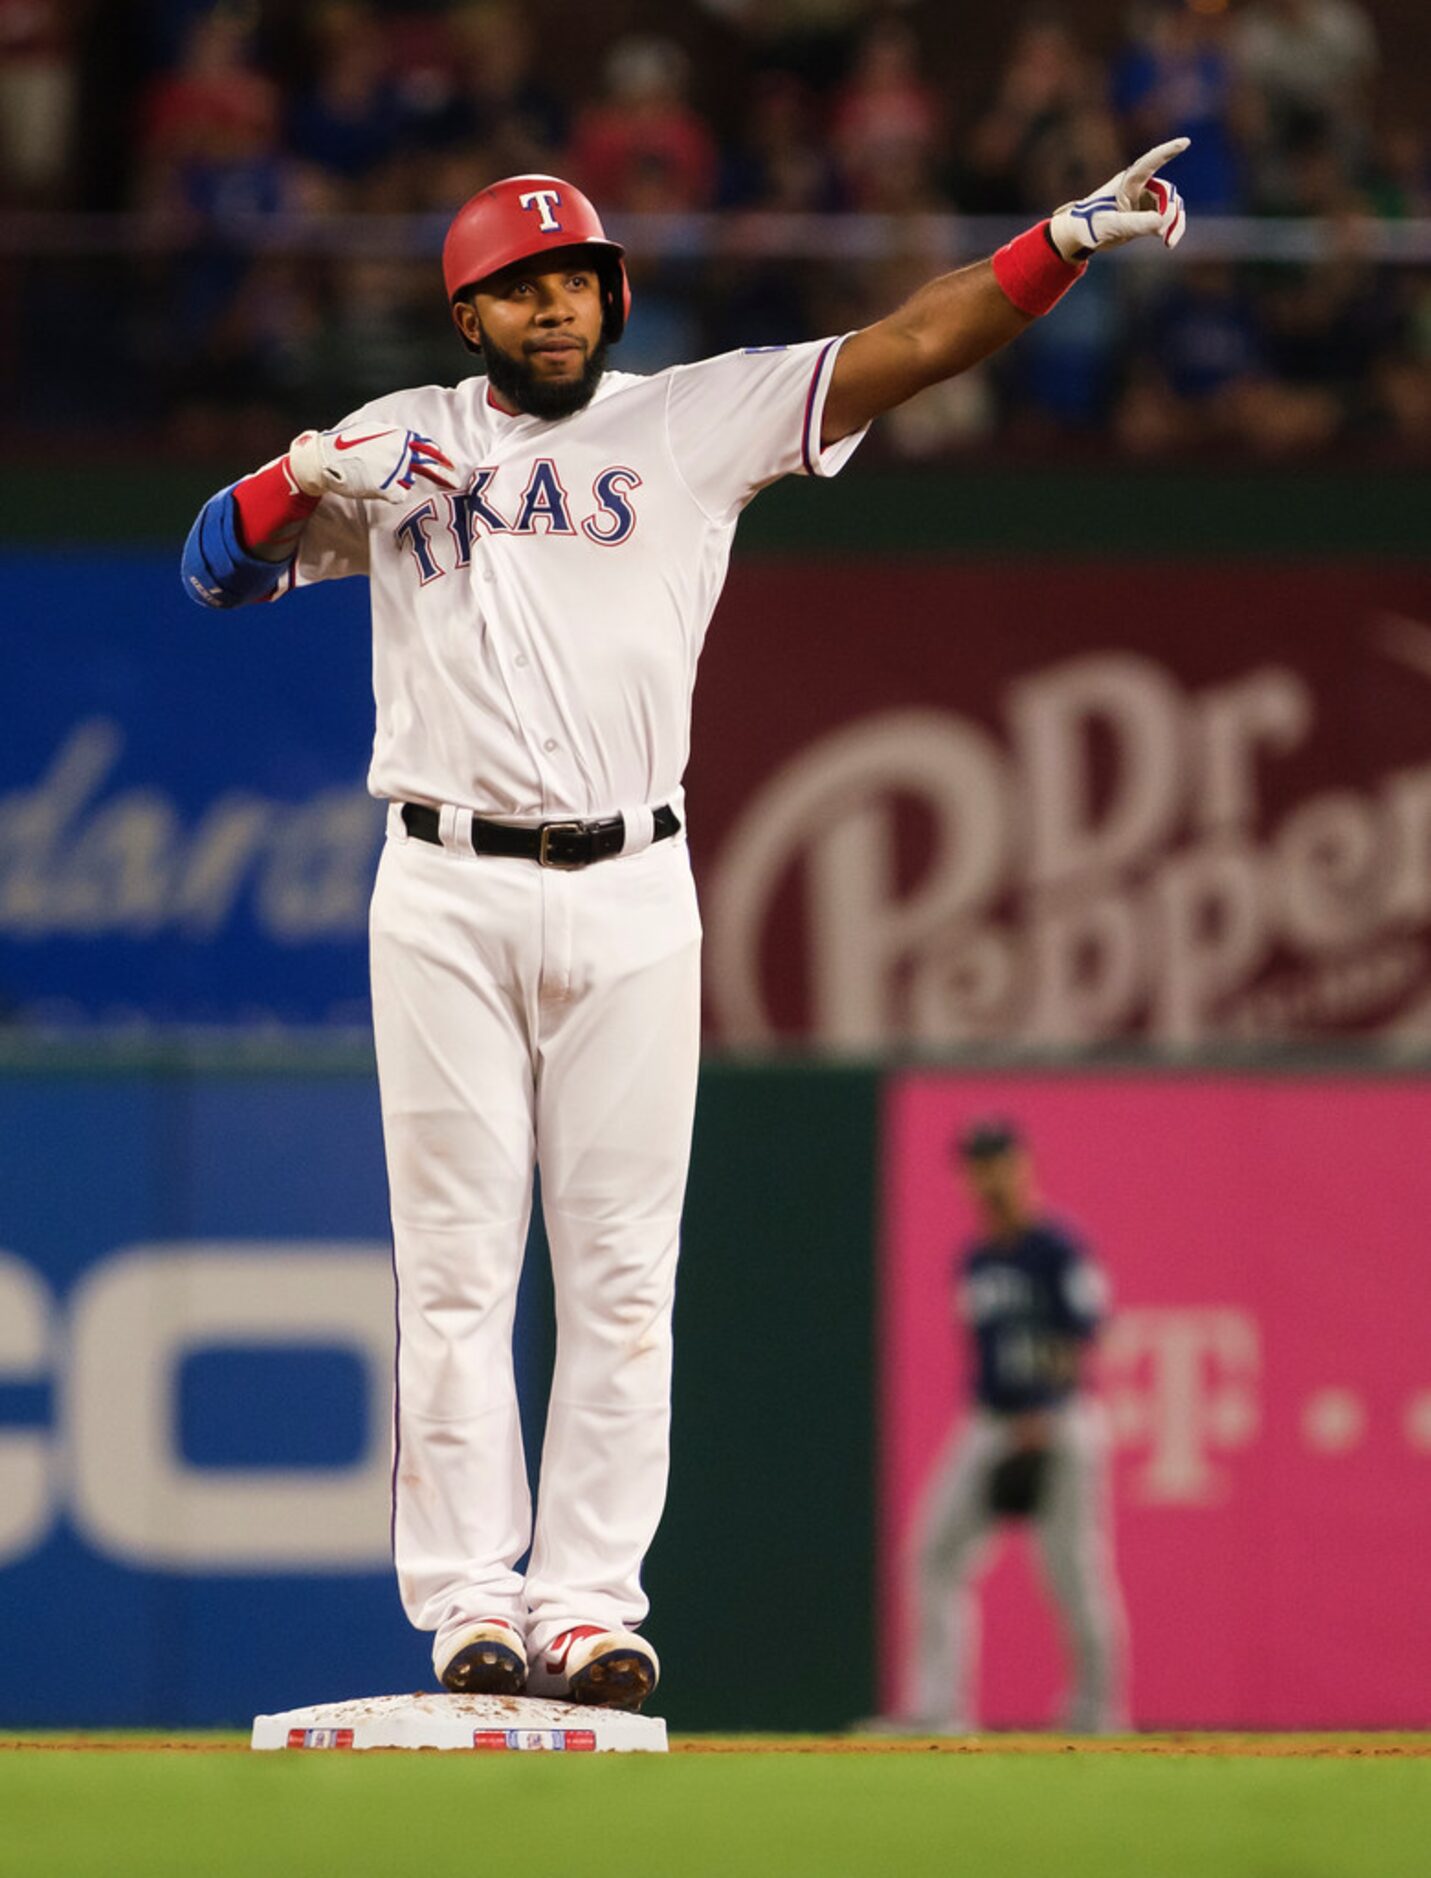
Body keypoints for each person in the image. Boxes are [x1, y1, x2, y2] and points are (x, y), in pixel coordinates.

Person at [180, 147, 1185, 1713]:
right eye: (521, 286)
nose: (555, 303)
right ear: (471, 314)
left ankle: (585, 1603)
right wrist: (304, 475)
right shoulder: (399, 441)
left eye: (574, 276)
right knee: (453, 1268)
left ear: (613, 292)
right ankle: (467, 1601)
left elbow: (905, 346)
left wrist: (1053, 247)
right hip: (441, 882)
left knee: (622, 1270)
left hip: (636, 883)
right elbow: (210, 571)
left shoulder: (686, 416)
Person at [904, 1120, 1128, 1735]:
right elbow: (985, 1352)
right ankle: (939, 1710)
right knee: (934, 1554)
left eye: (997, 1159)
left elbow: (1086, 1330)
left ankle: (1097, 1711)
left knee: (1073, 1569)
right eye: (976, 1163)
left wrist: (1042, 1406)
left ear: (1023, 1164)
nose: (986, 1174)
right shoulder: (975, 1257)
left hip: (1058, 1419)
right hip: (990, 1421)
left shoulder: (1057, 1247)